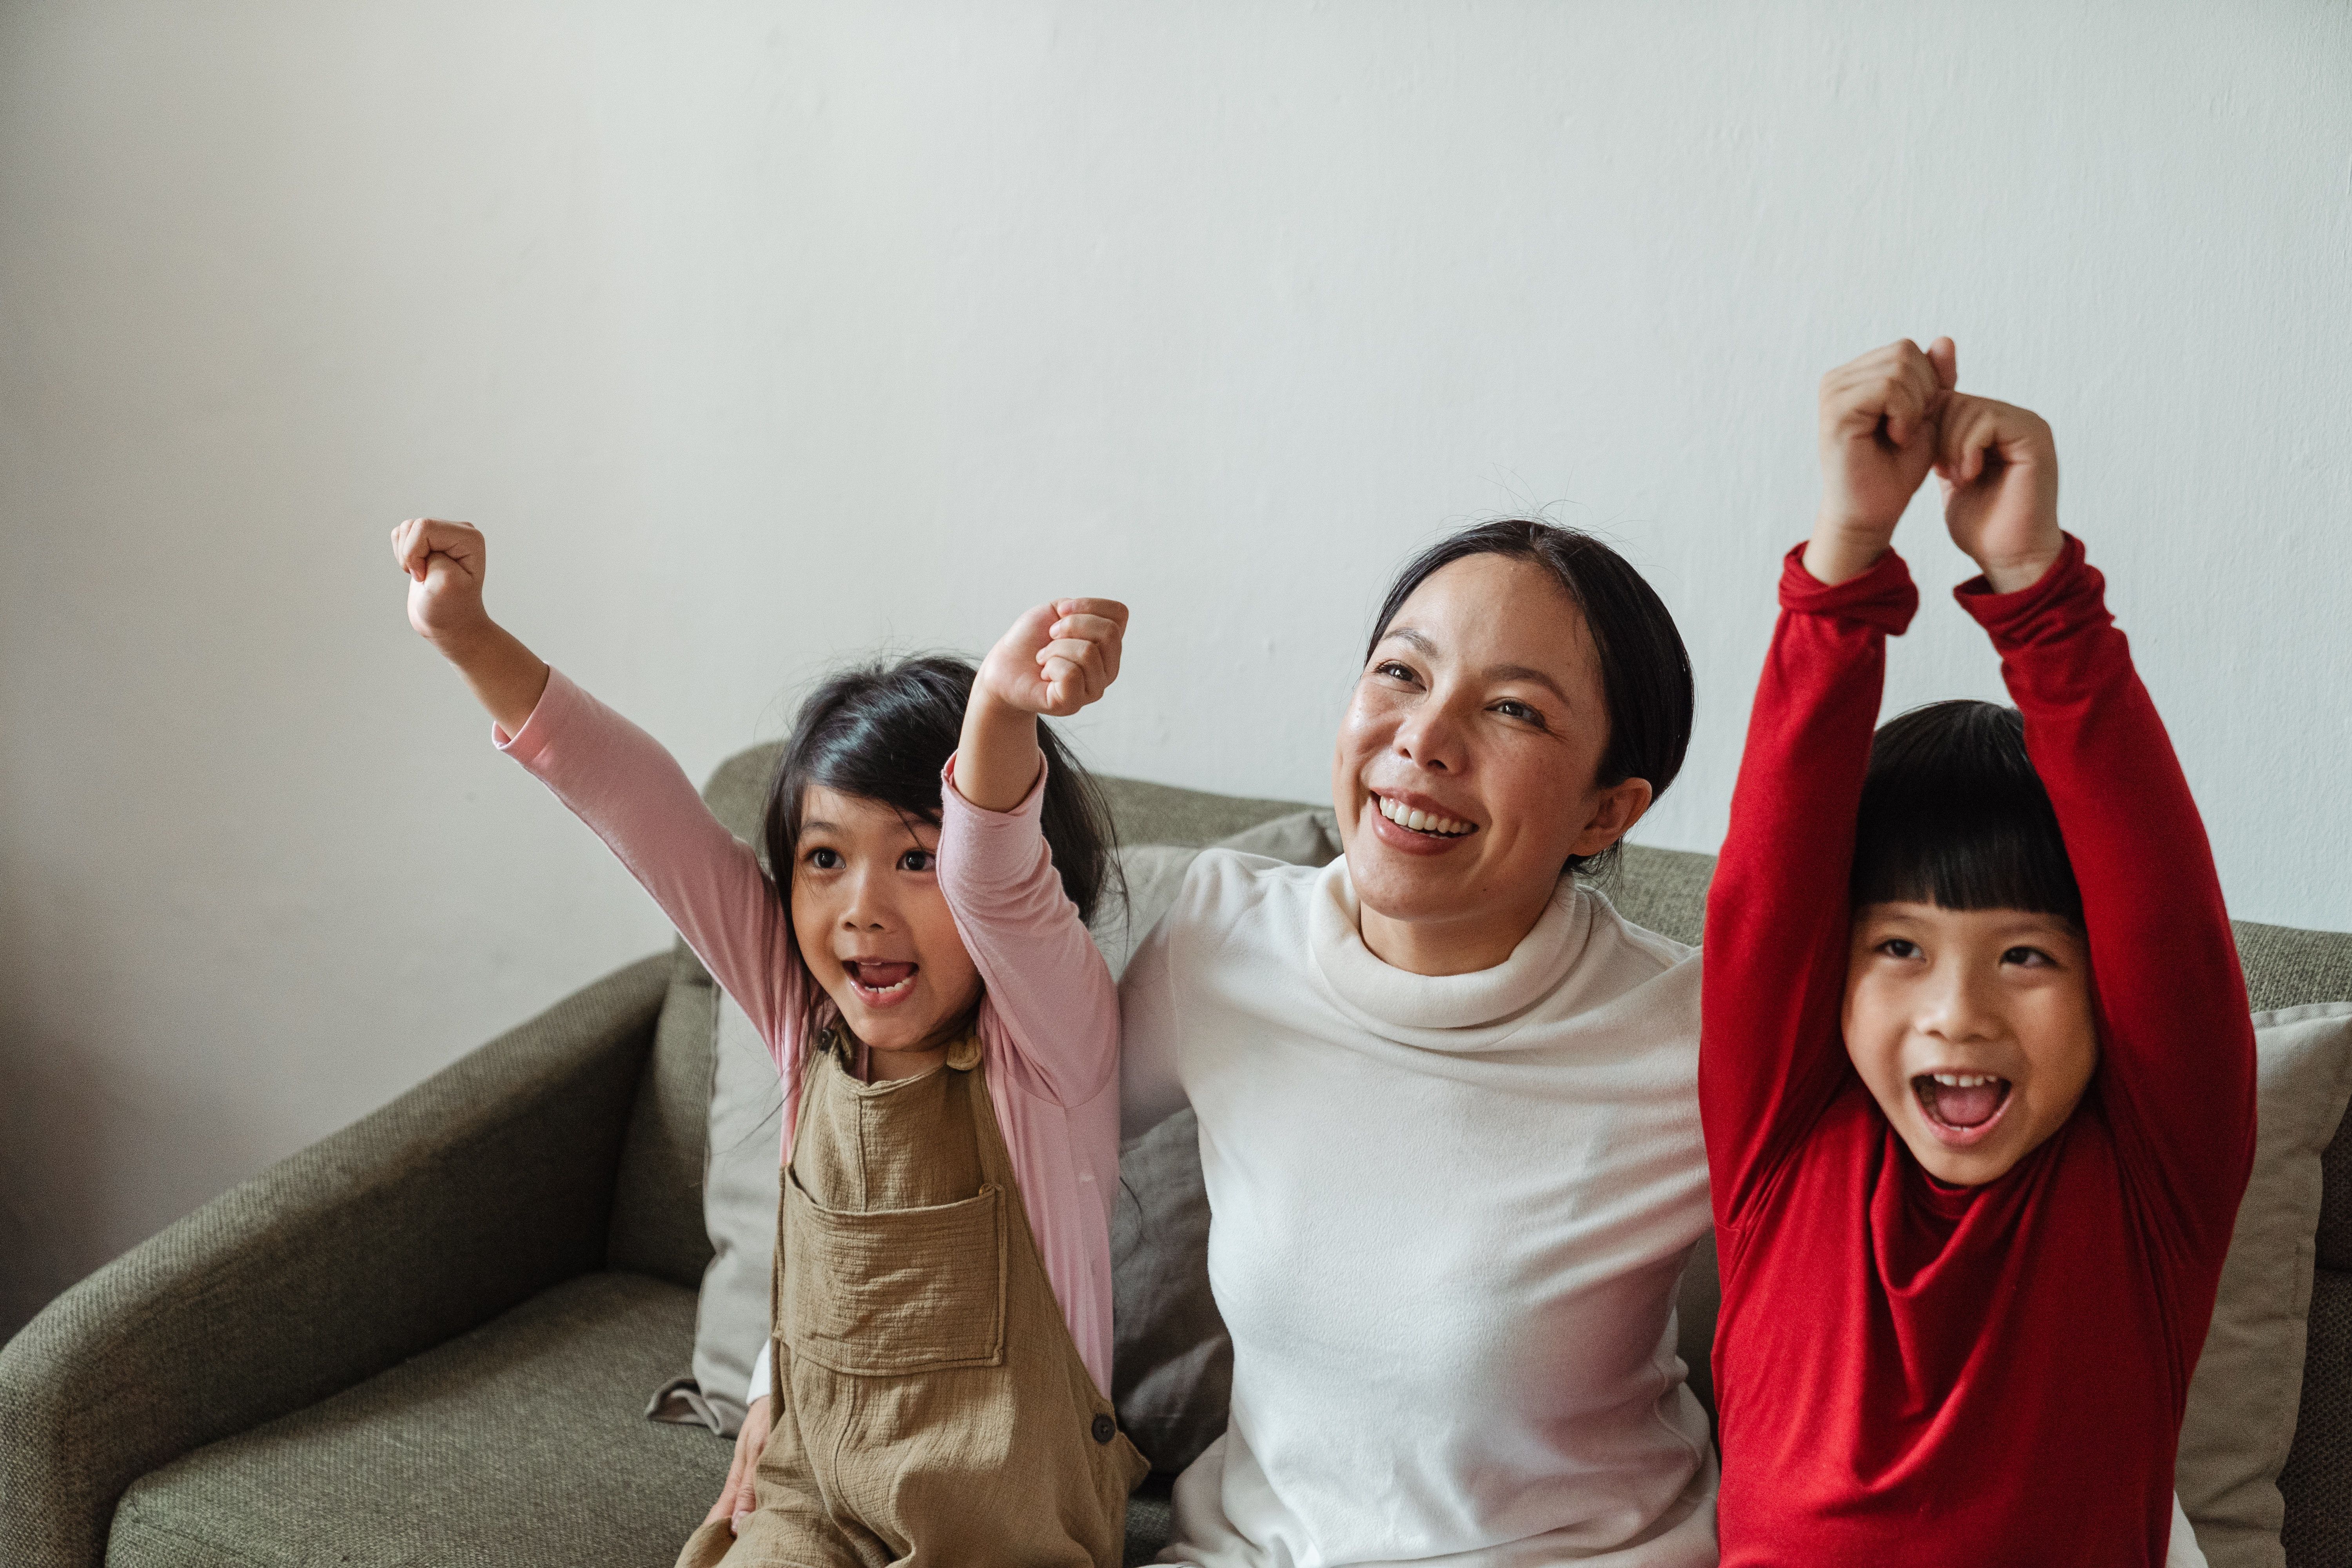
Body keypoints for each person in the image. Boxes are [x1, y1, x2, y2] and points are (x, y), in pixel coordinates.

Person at [391, 517, 1150, 1565]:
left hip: (1011, 1531)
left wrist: (1000, 710)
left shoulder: (1051, 1043)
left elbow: (1000, 880)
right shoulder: (804, 1017)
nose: (862, 909)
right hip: (814, 1501)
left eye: (917, 861)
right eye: (825, 859)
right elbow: (636, 804)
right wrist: (469, 636)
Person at [1699, 339, 2256, 1564]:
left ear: (2103, 986)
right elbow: (1767, 897)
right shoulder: (1783, 1149)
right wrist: (1846, 550)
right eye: (1901, 946)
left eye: (2027, 959)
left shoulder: (2151, 1189)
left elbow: (2162, 913)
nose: (1958, 1012)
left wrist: (2038, 588)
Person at [1122, 518, 1722, 1566]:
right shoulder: (1224, 938)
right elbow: (1004, 1139)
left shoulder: (1692, 1028)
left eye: (1514, 709)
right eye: (1401, 672)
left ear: (1607, 813)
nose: (1425, 739)